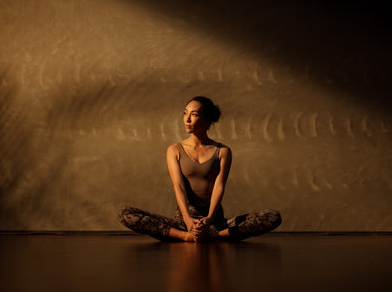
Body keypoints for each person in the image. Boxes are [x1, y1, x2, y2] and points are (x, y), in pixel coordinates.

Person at [118, 96, 282, 241]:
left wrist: (210, 219)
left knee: (272, 216)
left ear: (208, 119)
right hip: (183, 221)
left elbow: (219, 186)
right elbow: (179, 186)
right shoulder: (174, 149)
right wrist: (188, 220)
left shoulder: (223, 151)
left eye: (194, 115)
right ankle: (185, 236)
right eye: (185, 113)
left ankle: (215, 236)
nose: (187, 119)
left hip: (215, 222)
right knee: (126, 213)